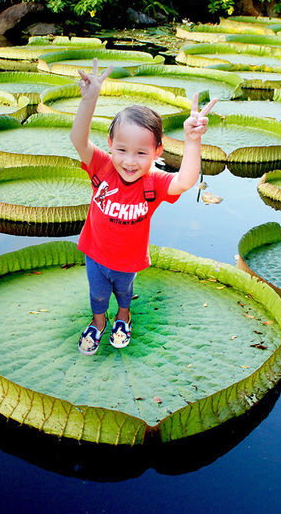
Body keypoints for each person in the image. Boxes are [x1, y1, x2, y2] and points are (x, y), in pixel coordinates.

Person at [70, 59, 216, 355]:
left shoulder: (153, 182)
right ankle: (98, 324)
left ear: (157, 151)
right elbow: (77, 139)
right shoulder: (101, 165)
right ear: (110, 143)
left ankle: (123, 318)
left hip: (128, 260)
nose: (129, 160)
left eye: (141, 152)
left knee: (124, 294)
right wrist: (90, 100)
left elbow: (186, 180)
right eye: (122, 150)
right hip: (95, 254)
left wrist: (192, 140)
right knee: (97, 296)